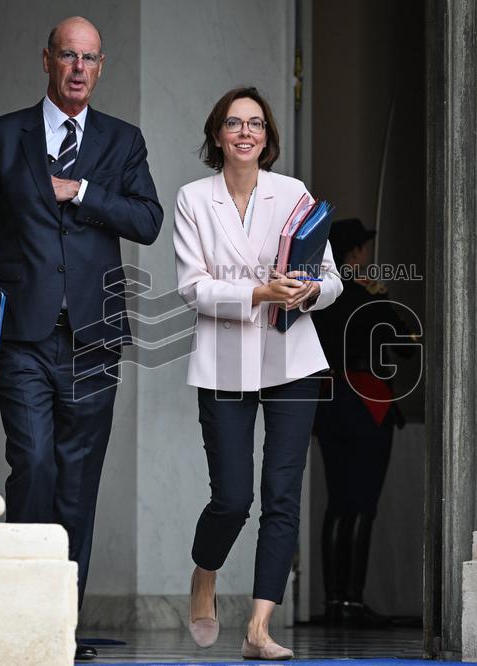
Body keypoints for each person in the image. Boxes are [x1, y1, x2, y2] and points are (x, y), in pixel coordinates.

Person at [0, 17, 163, 662]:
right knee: (36, 463)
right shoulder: (0, 137)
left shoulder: (122, 141)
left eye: (89, 59)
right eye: (67, 56)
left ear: (100, 67)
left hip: (94, 338)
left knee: (78, 482)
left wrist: (82, 190)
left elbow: (147, 220)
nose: (78, 68)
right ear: (46, 60)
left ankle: (59, 625)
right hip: (19, 334)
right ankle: (20, 611)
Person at [173, 87, 343, 660]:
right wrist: (258, 290)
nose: (245, 132)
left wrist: (307, 290)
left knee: (282, 495)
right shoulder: (194, 198)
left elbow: (332, 279)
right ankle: (204, 575)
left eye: (255, 124)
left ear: (267, 137)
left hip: (291, 359)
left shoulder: (292, 193)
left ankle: (259, 628)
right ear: (217, 135)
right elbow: (193, 287)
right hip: (223, 361)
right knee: (232, 498)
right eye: (233, 123)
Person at [311, 218, 416, 627]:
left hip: (330, 403)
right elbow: (405, 346)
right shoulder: (366, 297)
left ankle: (335, 601)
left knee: (338, 503)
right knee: (362, 505)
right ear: (355, 253)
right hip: (367, 402)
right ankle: (352, 601)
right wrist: (384, 298)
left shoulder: (318, 297)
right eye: (364, 248)